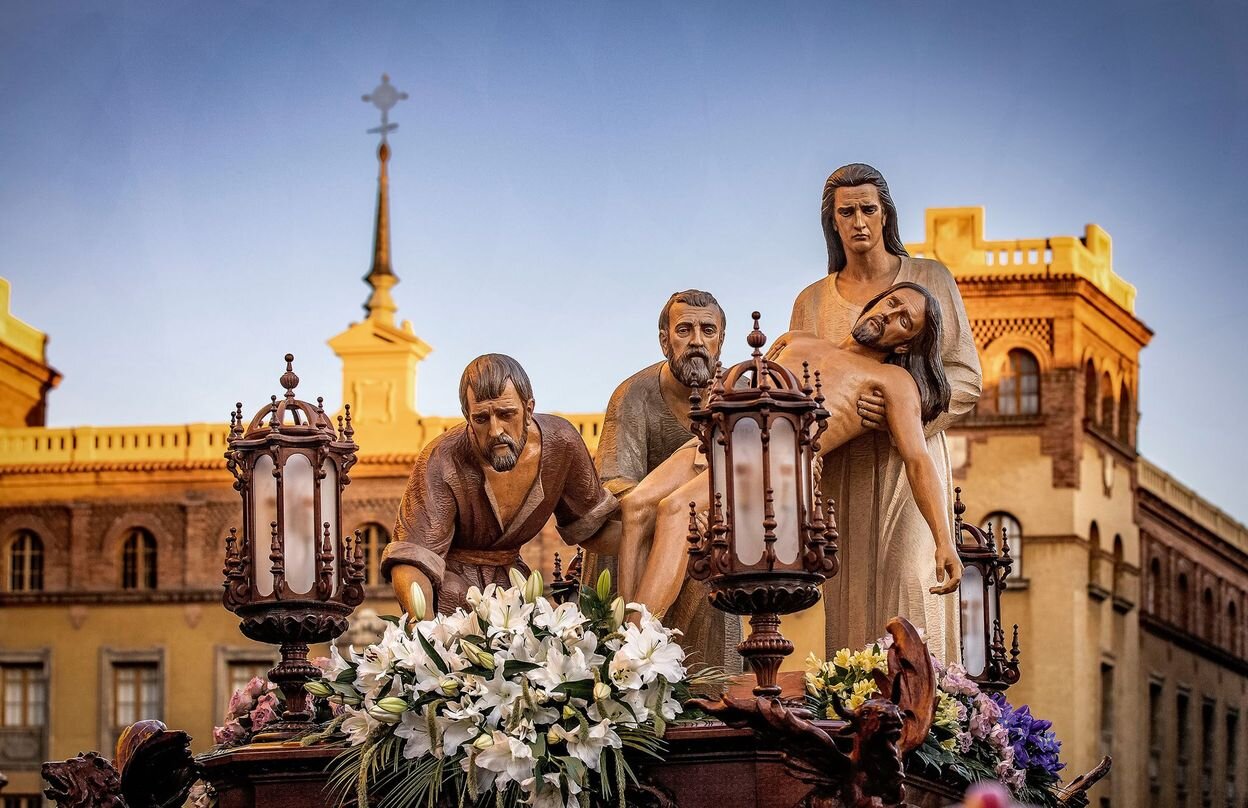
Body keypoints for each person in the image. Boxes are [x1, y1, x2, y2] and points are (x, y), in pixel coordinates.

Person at [626, 282, 964, 654]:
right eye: (893, 303)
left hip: (769, 465)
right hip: (722, 437)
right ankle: (619, 633)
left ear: (904, 344)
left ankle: (635, 651)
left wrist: (944, 540)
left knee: (674, 510)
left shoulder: (891, 382)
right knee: (635, 505)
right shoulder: (796, 339)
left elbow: (918, 459)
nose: (890, 315)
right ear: (879, 300)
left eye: (905, 321)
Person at [790, 164, 981, 662]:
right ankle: (855, 721)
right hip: (840, 475)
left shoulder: (929, 279)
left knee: (912, 580)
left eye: (868, 210)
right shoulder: (810, 302)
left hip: (908, 465)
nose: (859, 222)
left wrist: (901, 408)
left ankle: (928, 717)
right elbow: (790, 391)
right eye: (846, 211)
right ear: (832, 221)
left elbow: (966, 379)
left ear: (885, 214)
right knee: (851, 600)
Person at [382, 354, 618, 615]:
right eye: (481, 419)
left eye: (506, 414)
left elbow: (594, 528)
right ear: (467, 416)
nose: (495, 430)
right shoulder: (442, 457)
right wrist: (423, 634)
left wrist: (655, 534)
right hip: (451, 598)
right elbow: (412, 558)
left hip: (515, 594)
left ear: (528, 409)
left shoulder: (562, 444)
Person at [593, 289, 740, 669]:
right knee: (640, 515)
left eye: (708, 330)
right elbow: (613, 483)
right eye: (684, 329)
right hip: (639, 536)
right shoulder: (633, 396)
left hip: (712, 536)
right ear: (664, 340)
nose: (696, 340)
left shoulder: (736, 397)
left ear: (721, 340)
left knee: (711, 548)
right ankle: (626, 646)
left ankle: (707, 686)